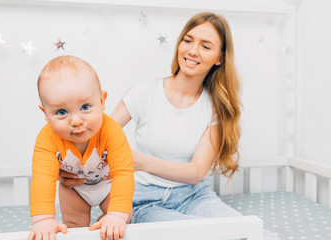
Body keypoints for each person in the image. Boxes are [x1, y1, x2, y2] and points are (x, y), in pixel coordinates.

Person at [60, 12, 280, 240]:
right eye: (188, 40)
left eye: (205, 46)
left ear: (219, 58)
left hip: (194, 196)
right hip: (143, 200)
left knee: (258, 234)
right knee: (203, 235)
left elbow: (195, 173)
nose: (192, 51)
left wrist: (142, 162)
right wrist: (69, 167)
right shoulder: (144, 92)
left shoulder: (216, 107)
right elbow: (96, 138)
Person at [28, 55, 134, 240]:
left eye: (85, 107)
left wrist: (116, 215)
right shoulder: (46, 139)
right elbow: (43, 179)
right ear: (46, 114)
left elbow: (123, 173)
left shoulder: (112, 131)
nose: (76, 121)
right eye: (61, 112)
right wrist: (42, 220)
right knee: (74, 227)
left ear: (102, 102)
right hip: (74, 189)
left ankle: (104, 224)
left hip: (108, 186)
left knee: (121, 219)